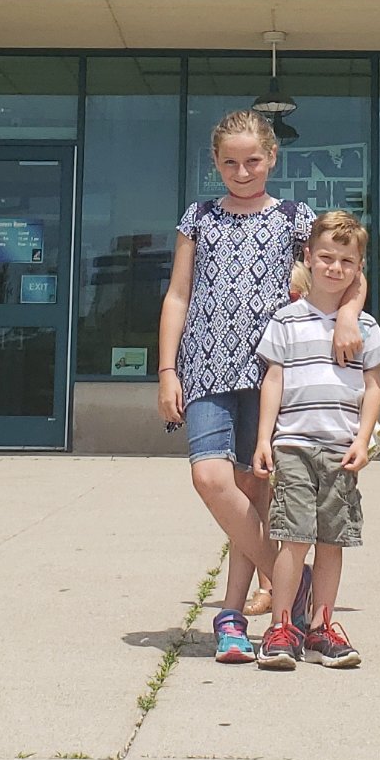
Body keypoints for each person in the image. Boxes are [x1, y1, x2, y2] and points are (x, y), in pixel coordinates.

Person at [158, 109, 343, 664]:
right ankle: (289, 579)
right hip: (205, 368)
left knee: (255, 491)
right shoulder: (199, 218)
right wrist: (167, 370)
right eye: (231, 162)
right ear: (215, 162)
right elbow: (177, 295)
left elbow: (346, 272)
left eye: (253, 160)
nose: (242, 171)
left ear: (272, 160)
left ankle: (232, 616)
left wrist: (350, 316)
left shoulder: (295, 218)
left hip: (271, 372)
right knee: (211, 479)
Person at [250, 208, 380, 670]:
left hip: (340, 449)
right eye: (325, 257)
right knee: (292, 538)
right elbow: (272, 381)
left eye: (346, 262)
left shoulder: (365, 329)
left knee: (332, 540)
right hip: (292, 445)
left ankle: (322, 626)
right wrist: (263, 438)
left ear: (358, 267)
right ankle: (282, 625)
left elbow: (373, 388)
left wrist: (363, 441)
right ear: (307, 257)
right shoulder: (286, 320)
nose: (334, 268)